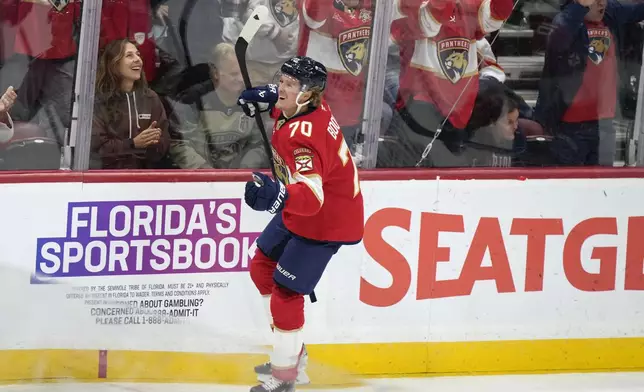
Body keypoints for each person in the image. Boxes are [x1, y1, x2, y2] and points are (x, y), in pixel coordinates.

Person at [237, 56, 364, 392]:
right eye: (282, 80)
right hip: (305, 209)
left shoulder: (303, 136)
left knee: (286, 294)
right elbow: (289, 108)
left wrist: (279, 193)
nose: (281, 87)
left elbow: (311, 195)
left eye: (289, 85)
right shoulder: (307, 107)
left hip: (325, 220)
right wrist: (270, 96)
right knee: (262, 267)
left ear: (307, 94)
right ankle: (291, 350)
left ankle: (284, 376)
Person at [535, 0, 644, 166]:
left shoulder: (610, 14)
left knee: (603, 185)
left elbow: (638, 9)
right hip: (568, 127)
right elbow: (558, 40)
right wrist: (580, 7)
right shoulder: (564, 21)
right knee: (569, 185)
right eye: (596, 0)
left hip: (605, 123)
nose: (602, 4)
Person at [91, 39, 171, 169]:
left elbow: (164, 144)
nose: (138, 59)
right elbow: (96, 149)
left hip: (145, 180)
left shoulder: (150, 98)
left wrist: (154, 142)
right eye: (129, 55)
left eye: (138, 54)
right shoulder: (98, 100)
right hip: (105, 181)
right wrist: (133, 144)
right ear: (114, 63)